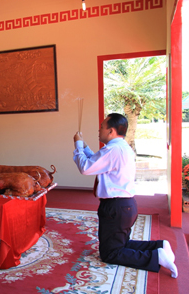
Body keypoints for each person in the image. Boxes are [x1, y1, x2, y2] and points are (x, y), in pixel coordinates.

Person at [72, 113, 178, 278]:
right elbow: (97, 162)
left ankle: (156, 257)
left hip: (116, 207)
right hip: (124, 206)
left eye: (102, 126)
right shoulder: (120, 147)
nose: (98, 130)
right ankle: (160, 246)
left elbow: (86, 167)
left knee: (110, 253)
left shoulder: (112, 150)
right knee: (121, 243)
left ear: (111, 131)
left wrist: (78, 146)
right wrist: (84, 147)